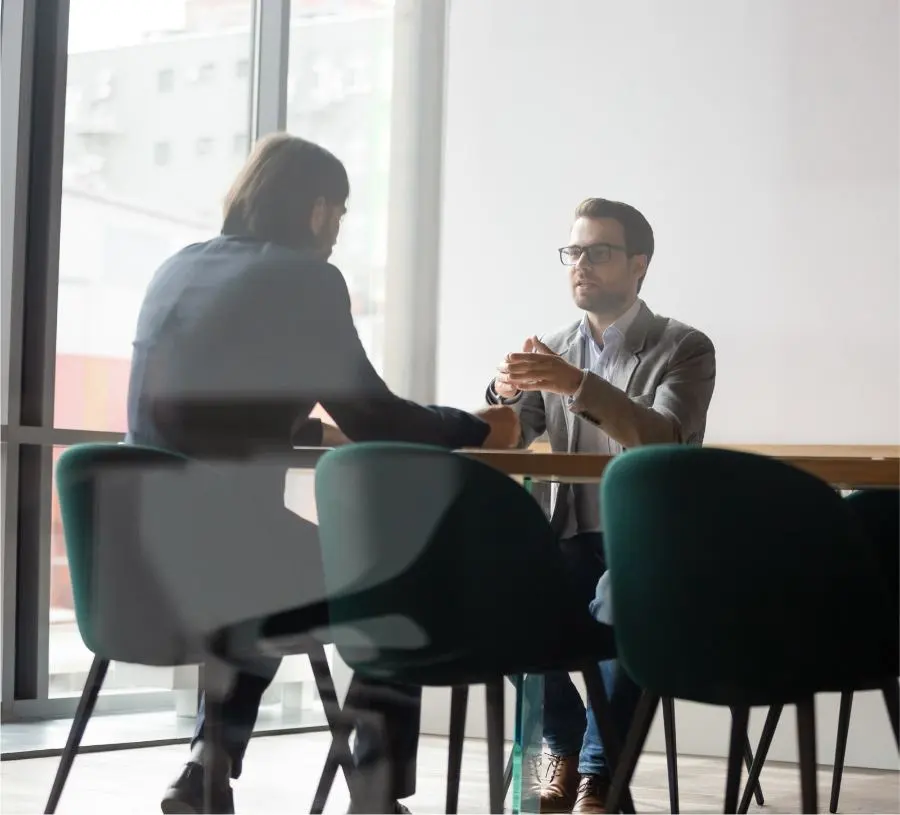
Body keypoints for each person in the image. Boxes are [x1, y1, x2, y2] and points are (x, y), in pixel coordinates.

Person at [125, 132, 521, 814]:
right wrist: (481, 427)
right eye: (340, 211)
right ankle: (372, 789)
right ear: (315, 210)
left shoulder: (178, 267)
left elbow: (198, 405)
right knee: (399, 575)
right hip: (228, 547)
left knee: (279, 571)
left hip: (134, 550)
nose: (339, 230)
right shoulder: (305, 278)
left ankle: (207, 761)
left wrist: (308, 429)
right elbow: (377, 416)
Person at [486, 197, 716, 814]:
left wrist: (574, 384)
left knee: (626, 595)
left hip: (650, 545)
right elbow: (509, 430)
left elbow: (664, 435)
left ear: (639, 264)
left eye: (599, 252)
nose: (581, 265)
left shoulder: (684, 348)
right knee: (502, 595)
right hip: (570, 537)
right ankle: (554, 753)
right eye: (573, 252)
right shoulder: (556, 345)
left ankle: (596, 773)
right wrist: (501, 389)